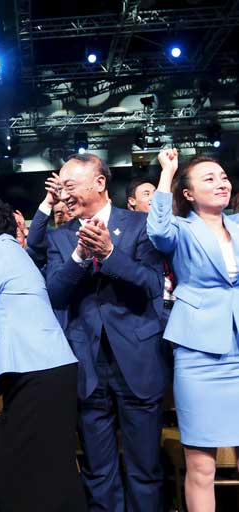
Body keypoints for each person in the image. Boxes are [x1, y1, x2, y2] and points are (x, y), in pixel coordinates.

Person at [45, 153, 170, 512]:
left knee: (144, 469)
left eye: (70, 185)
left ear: (99, 183)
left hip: (138, 360)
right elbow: (55, 293)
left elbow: (151, 283)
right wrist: (81, 257)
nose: (64, 194)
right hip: (87, 365)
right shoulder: (61, 238)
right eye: (61, 187)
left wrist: (111, 253)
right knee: (99, 471)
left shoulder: (138, 225)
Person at [0, 193, 85, 511]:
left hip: (36, 369)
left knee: (4, 463)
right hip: (51, 367)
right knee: (54, 467)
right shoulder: (14, 251)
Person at [147, 148, 239, 512]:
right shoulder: (180, 229)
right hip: (200, 354)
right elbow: (157, 229)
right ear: (187, 194)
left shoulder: (238, 224)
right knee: (202, 464)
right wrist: (167, 172)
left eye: (223, 176)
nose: (221, 183)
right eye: (209, 178)